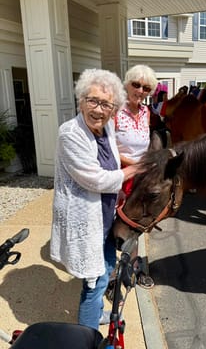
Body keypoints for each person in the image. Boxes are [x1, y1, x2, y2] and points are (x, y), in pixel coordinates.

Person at [50, 68, 142, 331]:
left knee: (107, 268)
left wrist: (120, 189)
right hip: (85, 218)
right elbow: (96, 179)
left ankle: (96, 314)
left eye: (106, 104)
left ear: (114, 109)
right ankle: (86, 335)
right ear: (80, 100)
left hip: (104, 213)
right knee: (94, 282)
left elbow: (111, 162)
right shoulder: (70, 133)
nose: (99, 110)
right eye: (93, 101)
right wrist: (139, 168)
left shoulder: (107, 128)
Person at [113, 64, 158, 289]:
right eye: (136, 84)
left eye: (146, 88)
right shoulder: (115, 110)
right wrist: (138, 165)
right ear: (127, 83)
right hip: (118, 174)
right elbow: (109, 149)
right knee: (113, 224)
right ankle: (112, 276)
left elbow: (145, 146)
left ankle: (134, 267)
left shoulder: (146, 112)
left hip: (140, 176)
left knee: (137, 223)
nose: (140, 91)